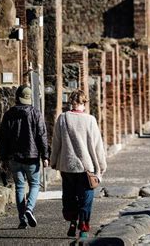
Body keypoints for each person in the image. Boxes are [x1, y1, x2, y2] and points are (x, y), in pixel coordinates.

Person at [50, 90, 107, 238]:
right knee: (86, 196)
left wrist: (54, 160)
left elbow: (56, 142)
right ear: (84, 103)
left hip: (67, 165)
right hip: (86, 167)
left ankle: (72, 222)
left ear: (71, 102)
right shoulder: (90, 120)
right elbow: (97, 145)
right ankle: (83, 225)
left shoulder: (62, 118)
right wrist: (101, 165)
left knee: (69, 195)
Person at [0, 85, 49, 229]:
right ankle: (29, 208)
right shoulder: (36, 113)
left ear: (17, 97)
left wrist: (3, 158)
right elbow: (42, 136)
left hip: (14, 158)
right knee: (34, 184)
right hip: (32, 157)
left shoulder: (8, 114)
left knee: (20, 187)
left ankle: (22, 219)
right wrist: (45, 155)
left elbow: (3, 138)